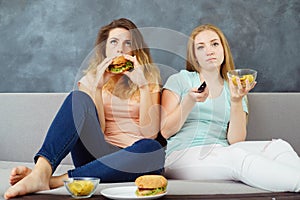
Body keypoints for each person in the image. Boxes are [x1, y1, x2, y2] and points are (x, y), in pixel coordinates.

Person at [4, 18, 165, 199]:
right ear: (104, 49)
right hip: (95, 153)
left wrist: (143, 86)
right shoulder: (90, 80)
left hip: (133, 156)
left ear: (135, 50)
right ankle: (42, 170)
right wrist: (97, 87)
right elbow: (99, 130)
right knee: (77, 98)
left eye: (128, 43)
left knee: (153, 148)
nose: (120, 49)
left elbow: (149, 133)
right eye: (113, 42)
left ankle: (53, 181)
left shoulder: (149, 79)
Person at [160, 23, 300, 192]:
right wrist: (189, 100)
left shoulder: (234, 87)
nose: (209, 51)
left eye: (214, 44)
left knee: (279, 146)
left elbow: (236, 141)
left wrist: (236, 100)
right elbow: (166, 131)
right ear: (194, 56)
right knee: (236, 157)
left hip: (222, 152)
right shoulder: (180, 80)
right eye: (201, 47)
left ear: (223, 49)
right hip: (182, 156)